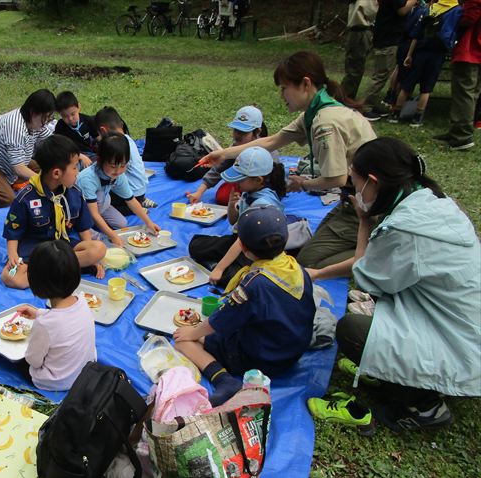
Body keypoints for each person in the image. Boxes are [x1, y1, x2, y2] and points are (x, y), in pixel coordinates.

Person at [304, 138, 481, 432]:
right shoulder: (431, 200)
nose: (356, 191)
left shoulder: (403, 229)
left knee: (352, 329)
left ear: (372, 182)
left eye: (356, 182)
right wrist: (318, 273)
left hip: (461, 344)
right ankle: (395, 374)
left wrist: (363, 221)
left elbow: (366, 275)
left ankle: (424, 406)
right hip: (462, 326)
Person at [200, 51, 377, 270]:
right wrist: (224, 153)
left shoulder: (325, 122)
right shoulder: (315, 112)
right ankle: (370, 245)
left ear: (305, 84)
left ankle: (377, 256)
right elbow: (272, 141)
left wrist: (302, 184)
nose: (282, 96)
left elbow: (337, 178)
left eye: (284, 88)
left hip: (370, 204)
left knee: (308, 261)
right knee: (309, 247)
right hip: (352, 200)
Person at [174, 205, 315, 406]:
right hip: (292, 353)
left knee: (182, 340)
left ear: (243, 247)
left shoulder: (253, 284)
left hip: (262, 360)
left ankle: (224, 380)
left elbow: (218, 322)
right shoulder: (295, 267)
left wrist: (192, 332)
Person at [1, 135, 106, 289]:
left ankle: (51, 271)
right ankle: (63, 269)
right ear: (57, 173)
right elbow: (13, 232)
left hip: (62, 246)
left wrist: (92, 258)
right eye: (75, 167)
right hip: (34, 251)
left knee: (99, 249)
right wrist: (12, 255)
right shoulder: (25, 198)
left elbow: (83, 229)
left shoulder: (74, 193)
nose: (78, 172)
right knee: (11, 278)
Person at [189, 147, 287, 286]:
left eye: (240, 179)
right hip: (240, 240)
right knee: (196, 246)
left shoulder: (262, 205)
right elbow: (233, 221)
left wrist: (219, 268)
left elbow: (242, 241)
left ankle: (229, 265)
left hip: (257, 251)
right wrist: (232, 204)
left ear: (258, 180)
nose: (235, 183)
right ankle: (227, 262)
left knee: (227, 278)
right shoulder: (249, 191)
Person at [15, 240, 97, 392]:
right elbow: (63, 320)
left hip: (57, 382)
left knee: (13, 360)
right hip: (84, 374)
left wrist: (41, 319)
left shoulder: (45, 324)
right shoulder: (82, 303)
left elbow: (33, 360)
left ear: (37, 283)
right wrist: (39, 313)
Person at [75, 133, 161, 247]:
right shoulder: (88, 178)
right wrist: (112, 235)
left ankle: (99, 222)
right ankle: (89, 227)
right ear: (101, 160)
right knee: (99, 204)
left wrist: (149, 223)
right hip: (82, 210)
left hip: (101, 204)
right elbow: (94, 213)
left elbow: (131, 200)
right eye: (113, 166)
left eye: (123, 165)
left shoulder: (118, 175)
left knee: (122, 223)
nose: (118, 171)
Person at [388, 1, 458, 127]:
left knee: (407, 84)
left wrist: (409, 54)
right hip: (437, 54)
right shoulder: (455, 10)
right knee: (426, 88)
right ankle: (417, 118)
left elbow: (416, 34)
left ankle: (395, 113)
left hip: (420, 52)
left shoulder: (430, 8)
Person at [186, 105, 272, 206]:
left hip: (261, 187)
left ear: (257, 131)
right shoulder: (235, 147)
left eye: (243, 132)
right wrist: (199, 192)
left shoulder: (268, 151)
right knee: (223, 197)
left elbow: (275, 180)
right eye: (236, 130)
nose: (237, 135)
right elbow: (217, 170)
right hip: (244, 182)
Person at [433, 0, 481, 150]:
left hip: (471, 48)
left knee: (464, 92)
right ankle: (457, 130)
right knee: (473, 92)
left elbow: (471, 14)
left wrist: (456, 21)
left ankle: (461, 136)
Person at [362, 0, 420, 119]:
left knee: (382, 73)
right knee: (380, 74)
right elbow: (402, 10)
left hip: (387, 38)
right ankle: (365, 106)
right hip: (387, 39)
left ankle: (371, 105)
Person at [94, 107, 156, 210]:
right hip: (141, 189)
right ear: (121, 124)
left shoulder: (115, 147)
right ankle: (141, 201)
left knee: (100, 199)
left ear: (103, 130)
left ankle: (135, 208)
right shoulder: (128, 139)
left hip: (131, 194)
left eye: (100, 134)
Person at [341, 0, 379, 100]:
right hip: (360, 31)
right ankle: (345, 98)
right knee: (355, 69)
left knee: (353, 67)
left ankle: (345, 96)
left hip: (355, 31)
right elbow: (371, 12)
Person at [53, 91, 96, 168]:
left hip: (90, 154)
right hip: (71, 156)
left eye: (73, 114)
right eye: (65, 116)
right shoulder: (60, 127)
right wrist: (80, 156)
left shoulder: (87, 120)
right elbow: (61, 147)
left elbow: (98, 138)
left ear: (79, 107)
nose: (70, 118)